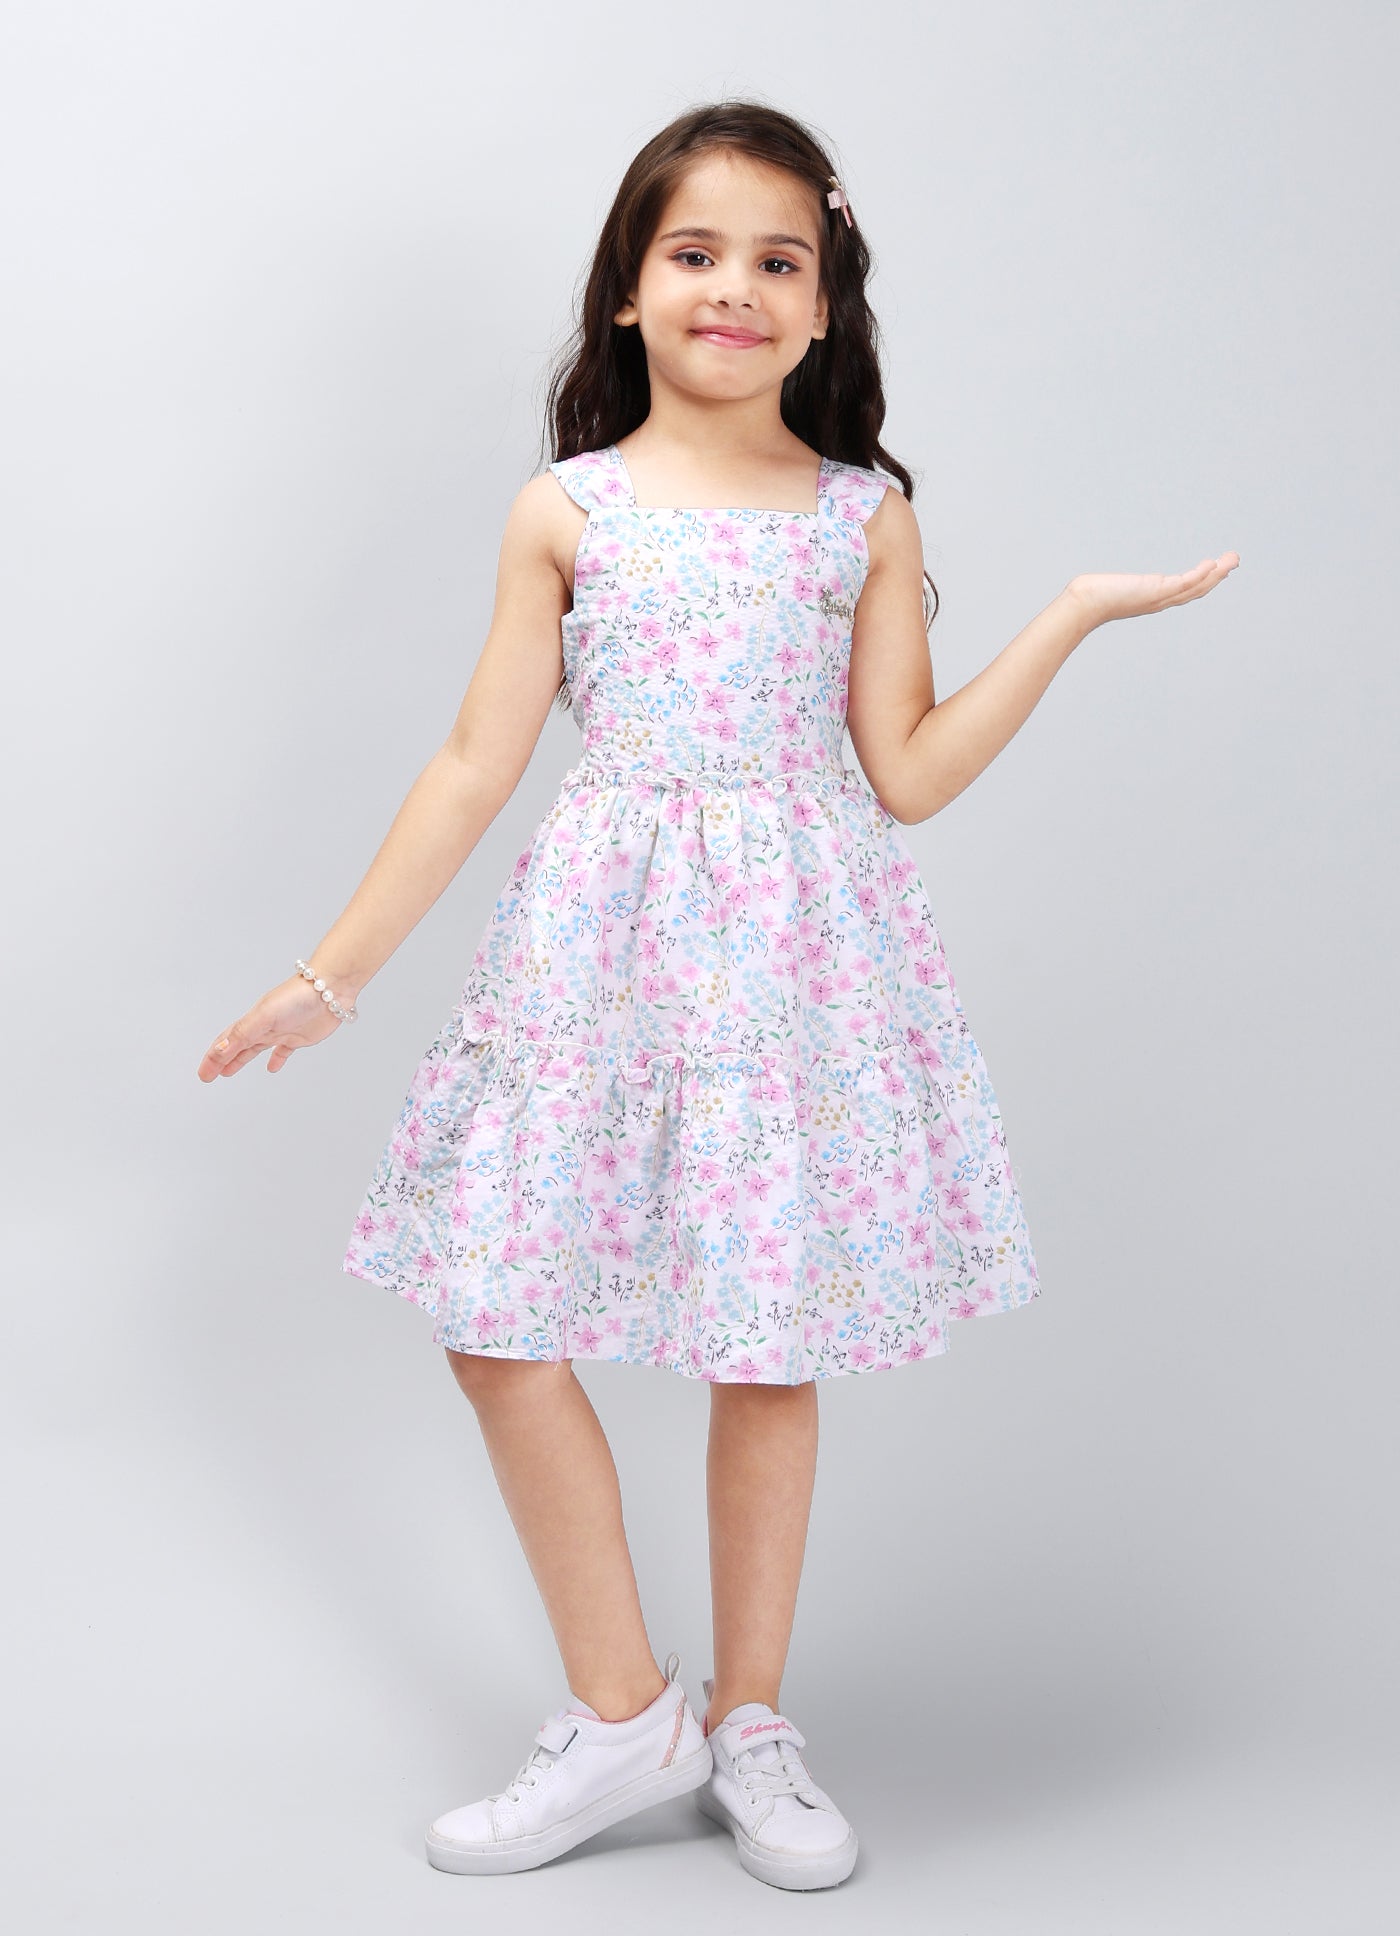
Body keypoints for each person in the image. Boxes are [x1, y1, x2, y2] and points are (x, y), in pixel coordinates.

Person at [196, 100, 1237, 1891]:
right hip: (596, 958)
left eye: (779, 260)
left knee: (768, 1343)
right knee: (498, 1320)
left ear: (824, 308)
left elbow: (906, 772)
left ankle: (751, 1722)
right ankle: (626, 1714)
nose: (736, 288)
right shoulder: (569, 510)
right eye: (697, 253)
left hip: (793, 969)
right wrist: (327, 978)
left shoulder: (861, 518)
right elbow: (473, 763)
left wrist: (1067, 614)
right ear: (629, 288)